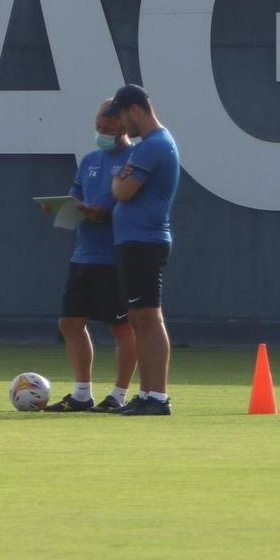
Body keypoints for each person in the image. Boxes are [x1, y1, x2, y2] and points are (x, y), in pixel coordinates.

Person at [44, 99, 139, 412]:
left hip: (115, 256)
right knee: (70, 323)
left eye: (108, 128)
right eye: (98, 127)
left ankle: (118, 395)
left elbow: (136, 200)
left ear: (124, 126)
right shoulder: (90, 160)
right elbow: (77, 194)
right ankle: (82, 393)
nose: (102, 132)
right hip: (83, 254)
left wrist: (105, 212)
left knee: (121, 327)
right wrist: (62, 205)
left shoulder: (136, 157)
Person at [104, 84, 180, 416]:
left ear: (136, 110)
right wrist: (120, 179)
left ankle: (158, 396)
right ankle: (148, 393)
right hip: (135, 241)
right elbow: (122, 184)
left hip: (144, 242)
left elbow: (123, 189)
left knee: (148, 316)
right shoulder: (146, 146)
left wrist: (119, 180)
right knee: (139, 317)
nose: (121, 127)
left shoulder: (153, 146)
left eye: (122, 117)